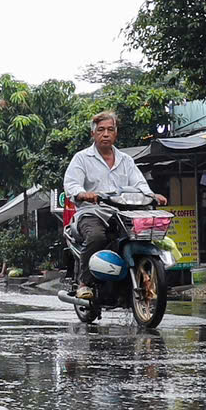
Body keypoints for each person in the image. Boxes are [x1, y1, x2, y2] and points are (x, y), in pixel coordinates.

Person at [60, 112, 159, 296]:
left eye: (110, 130)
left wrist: (152, 195)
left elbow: (139, 184)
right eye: (101, 130)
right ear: (93, 134)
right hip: (92, 212)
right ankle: (85, 283)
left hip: (123, 212)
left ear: (116, 134)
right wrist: (82, 193)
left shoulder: (126, 160)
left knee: (144, 235)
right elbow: (71, 183)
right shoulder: (81, 158)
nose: (105, 134)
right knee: (97, 237)